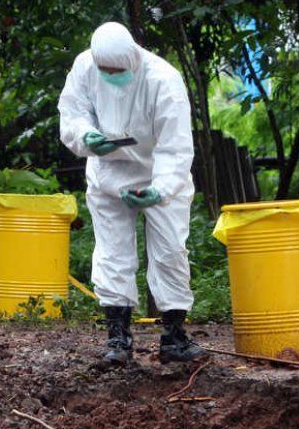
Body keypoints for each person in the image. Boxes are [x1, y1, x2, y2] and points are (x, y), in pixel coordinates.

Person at [58, 21, 206, 364]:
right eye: (104, 69)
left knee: (170, 251)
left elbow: (176, 147)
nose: (111, 75)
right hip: (109, 173)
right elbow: (73, 113)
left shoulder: (163, 80)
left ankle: (174, 338)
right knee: (112, 253)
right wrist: (86, 136)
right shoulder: (84, 66)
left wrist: (160, 190)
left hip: (159, 174)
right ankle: (118, 341)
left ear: (132, 58)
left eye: (117, 69)